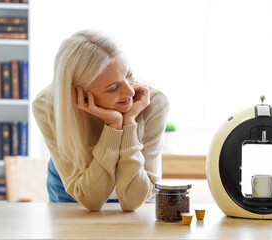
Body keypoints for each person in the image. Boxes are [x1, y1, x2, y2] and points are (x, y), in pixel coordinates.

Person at [32, 30, 169, 211]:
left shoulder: (152, 102)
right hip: (78, 189)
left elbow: (133, 201)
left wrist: (128, 123)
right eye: (113, 88)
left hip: (138, 184)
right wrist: (113, 126)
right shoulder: (47, 107)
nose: (130, 92)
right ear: (77, 92)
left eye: (128, 74)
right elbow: (90, 200)